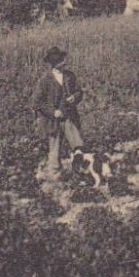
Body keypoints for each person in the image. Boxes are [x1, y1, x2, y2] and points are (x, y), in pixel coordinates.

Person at [32, 46, 85, 178]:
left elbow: (79, 91)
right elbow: (36, 102)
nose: (64, 62)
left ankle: (80, 169)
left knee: (77, 143)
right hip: (53, 120)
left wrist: (75, 97)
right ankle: (55, 175)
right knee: (55, 147)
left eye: (63, 59)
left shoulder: (70, 76)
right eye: (61, 60)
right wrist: (52, 112)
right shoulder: (45, 80)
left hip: (69, 116)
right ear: (54, 63)